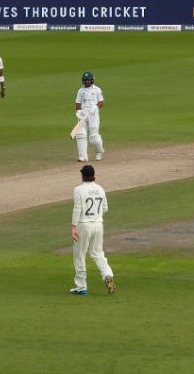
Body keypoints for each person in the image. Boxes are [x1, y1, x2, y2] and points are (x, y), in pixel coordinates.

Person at [70, 164, 115, 295]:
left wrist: (73, 226)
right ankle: (107, 274)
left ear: (83, 175)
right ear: (94, 175)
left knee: (80, 254)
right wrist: (96, 216)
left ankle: (81, 286)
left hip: (83, 225)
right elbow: (105, 207)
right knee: (98, 253)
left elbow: (77, 208)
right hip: (98, 224)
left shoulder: (78, 190)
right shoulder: (100, 189)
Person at [74, 71, 105, 162]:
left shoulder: (97, 90)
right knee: (80, 134)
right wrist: (78, 112)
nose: (87, 82)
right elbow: (78, 103)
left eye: (88, 80)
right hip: (83, 115)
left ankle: (99, 151)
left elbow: (101, 101)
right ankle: (83, 156)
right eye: (85, 80)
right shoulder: (80, 91)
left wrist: (96, 107)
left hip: (93, 115)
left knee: (93, 138)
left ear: (92, 80)